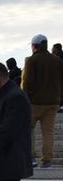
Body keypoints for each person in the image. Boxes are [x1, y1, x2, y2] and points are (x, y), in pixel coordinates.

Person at [22, 34, 60, 167]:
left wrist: (25, 97)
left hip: (35, 102)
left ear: (34, 46)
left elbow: (26, 82)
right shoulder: (58, 60)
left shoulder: (31, 60)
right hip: (53, 102)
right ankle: (47, 159)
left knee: (28, 129)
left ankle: (31, 157)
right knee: (48, 132)